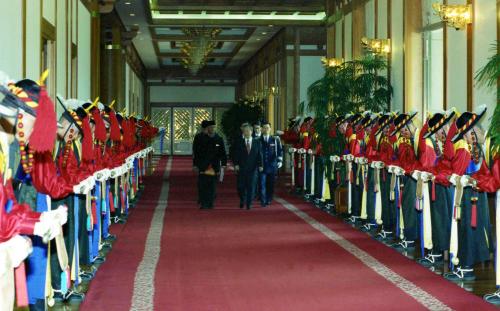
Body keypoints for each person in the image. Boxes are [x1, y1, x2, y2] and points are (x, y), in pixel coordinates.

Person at [193, 120, 227, 209]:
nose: (212, 129)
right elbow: (196, 153)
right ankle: (204, 203)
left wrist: (223, 164)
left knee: (212, 186)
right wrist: (195, 165)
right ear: (207, 128)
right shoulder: (201, 138)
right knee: (202, 185)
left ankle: (211, 202)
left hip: (214, 166)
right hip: (203, 166)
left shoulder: (219, 139)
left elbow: (223, 153)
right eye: (210, 127)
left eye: (213, 127)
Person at [234, 123, 263, 210]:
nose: (246, 132)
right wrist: (236, 164)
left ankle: (249, 203)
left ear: (251, 131)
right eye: (245, 131)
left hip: (253, 168)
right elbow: (236, 155)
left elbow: (259, 155)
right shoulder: (239, 142)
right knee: (241, 186)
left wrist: (261, 165)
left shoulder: (257, 142)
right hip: (242, 168)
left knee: (251, 186)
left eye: (248, 131)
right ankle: (243, 199)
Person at [258, 121, 283, 207]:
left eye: (267, 128)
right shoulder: (258, 140)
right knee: (262, 183)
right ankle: (263, 200)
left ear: (270, 129)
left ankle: (269, 198)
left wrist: (279, 161)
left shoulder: (275, 140)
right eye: (264, 128)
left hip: (272, 165)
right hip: (261, 166)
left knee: (270, 184)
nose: (266, 129)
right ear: (261, 129)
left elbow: (279, 151)